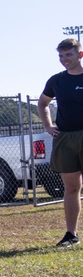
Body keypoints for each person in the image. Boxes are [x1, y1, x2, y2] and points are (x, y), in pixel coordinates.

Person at [38, 37, 83, 248]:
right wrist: (48, 126)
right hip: (65, 138)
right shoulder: (56, 80)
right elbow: (43, 103)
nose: (65, 59)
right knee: (71, 187)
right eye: (61, 56)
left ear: (79, 55)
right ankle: (71, 234)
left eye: (69, 55)